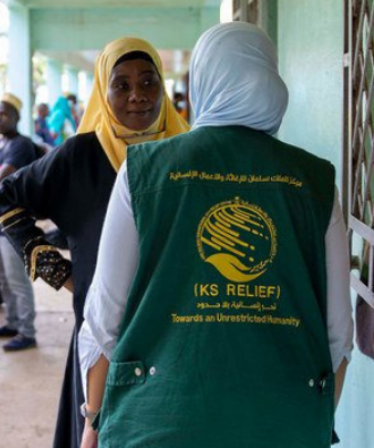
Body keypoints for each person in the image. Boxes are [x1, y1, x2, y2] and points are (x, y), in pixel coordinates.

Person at [80, 23, 354, 448]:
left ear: (203, 81)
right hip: (285, 423)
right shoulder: (315, 182)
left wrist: (93, 421)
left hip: (158, 418)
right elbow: (338, 333)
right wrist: (311, 421)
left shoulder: (143, 171)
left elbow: (104, 319)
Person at [0, 38, 189, 448]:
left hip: (177, 326)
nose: (137, 95)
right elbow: (7, 198)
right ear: (103, 90)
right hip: (102, 333)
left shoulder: (186, 152)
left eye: (148, 82)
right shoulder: (81, 155)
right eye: (121, 85)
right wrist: (61, 273)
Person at [0, 93, 40, 352]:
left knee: (16, 279)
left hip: (14, 222)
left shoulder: (21, 145)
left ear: (16, 117)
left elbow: (0, 175)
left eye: (4, 114)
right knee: (2, 277)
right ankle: (12, 322)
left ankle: (27, 331)